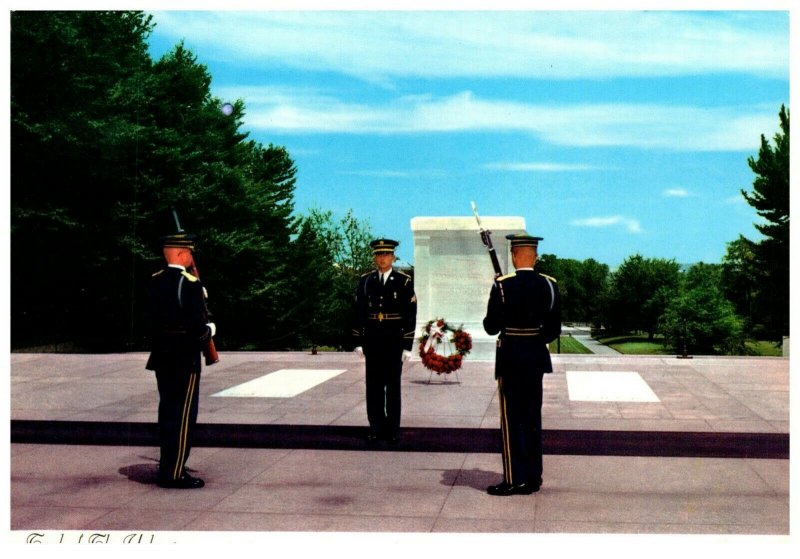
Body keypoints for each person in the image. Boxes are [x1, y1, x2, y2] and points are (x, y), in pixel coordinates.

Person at [482, 233, 561, 496]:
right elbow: (553, 330)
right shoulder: (549, 285)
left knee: (512, 420)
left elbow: (491, 327)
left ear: (515, 256)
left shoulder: (503, 286)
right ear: (535, 256)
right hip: (535, 358)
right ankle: (533, 477)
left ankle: (515, 479)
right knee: (532, 418)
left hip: (511, 359)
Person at [145, 232, 216, 489]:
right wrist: (211, 330)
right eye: (188, 252)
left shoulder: (155, 281)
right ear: (180, 253)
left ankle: (168, 465)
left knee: (167, 412)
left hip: (161, 356)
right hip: (185, 358)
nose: (190, 256)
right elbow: (198, 329)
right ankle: (174, 473)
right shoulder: (190, 283)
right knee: (183, 415)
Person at [352, 239, 417, 444]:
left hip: (393, 340)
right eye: (379, 255)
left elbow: (410, 314)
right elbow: (358, 312)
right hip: (372, 340)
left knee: (392, 386)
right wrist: (358, 341)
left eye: (386, 255)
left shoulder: (403, 281)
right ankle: (376, 426)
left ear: (393, 257)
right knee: (374, 386)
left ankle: (393, 429)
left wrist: (407, 345)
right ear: (375, 258)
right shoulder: (366, 281)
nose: (382, 258)